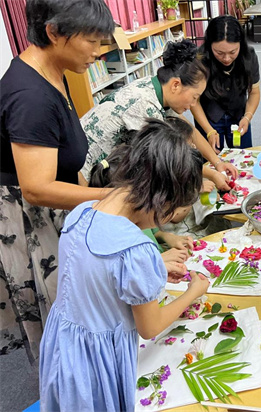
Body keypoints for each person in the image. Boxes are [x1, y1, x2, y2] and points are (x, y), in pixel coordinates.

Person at [39, 118, 211, 411]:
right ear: (162, 200)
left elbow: (95, 274)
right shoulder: (135, 249)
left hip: (62, 344)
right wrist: (192, 292)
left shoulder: (80, 213)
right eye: (170, 215)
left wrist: (154, 265)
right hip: (96, 361)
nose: (164, 221)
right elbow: (150, 327)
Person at [0, 0, 114, 361]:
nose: (98, 53)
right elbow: (36, 188)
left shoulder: (55, 68)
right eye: (92, 42)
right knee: (63, 321)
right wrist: (110, 197)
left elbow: (65, 154)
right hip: (29, 218)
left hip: (55, 206)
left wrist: (94, 202)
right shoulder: (30, 96)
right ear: (53, 32)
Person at [80, 39, 237, 191]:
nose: (193, 105)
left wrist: (217, 163)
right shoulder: (145, 106)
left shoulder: (157, 88)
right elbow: (163, 161)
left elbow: (190, 130)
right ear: (176, 85)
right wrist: (204, 178)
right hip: (85, 178)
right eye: (194, 97)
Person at [88, 140, 194, 281]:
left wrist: (165, 236)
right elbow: (131, 272)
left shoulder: (132, 216)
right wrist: (158, 261)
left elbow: (150, 232)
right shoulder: (127, 242)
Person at [191, 15, 261, 152]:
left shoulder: (249, 56)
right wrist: (209, 131)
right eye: (219, 52)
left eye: (233, 52)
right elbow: (194, 101)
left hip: (239, 114)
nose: (227, 58)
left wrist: (248, 116)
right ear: (210, 45)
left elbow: (254, 92)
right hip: (209, 116)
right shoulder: (200, 59)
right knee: (211, 161)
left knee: (244, 156)